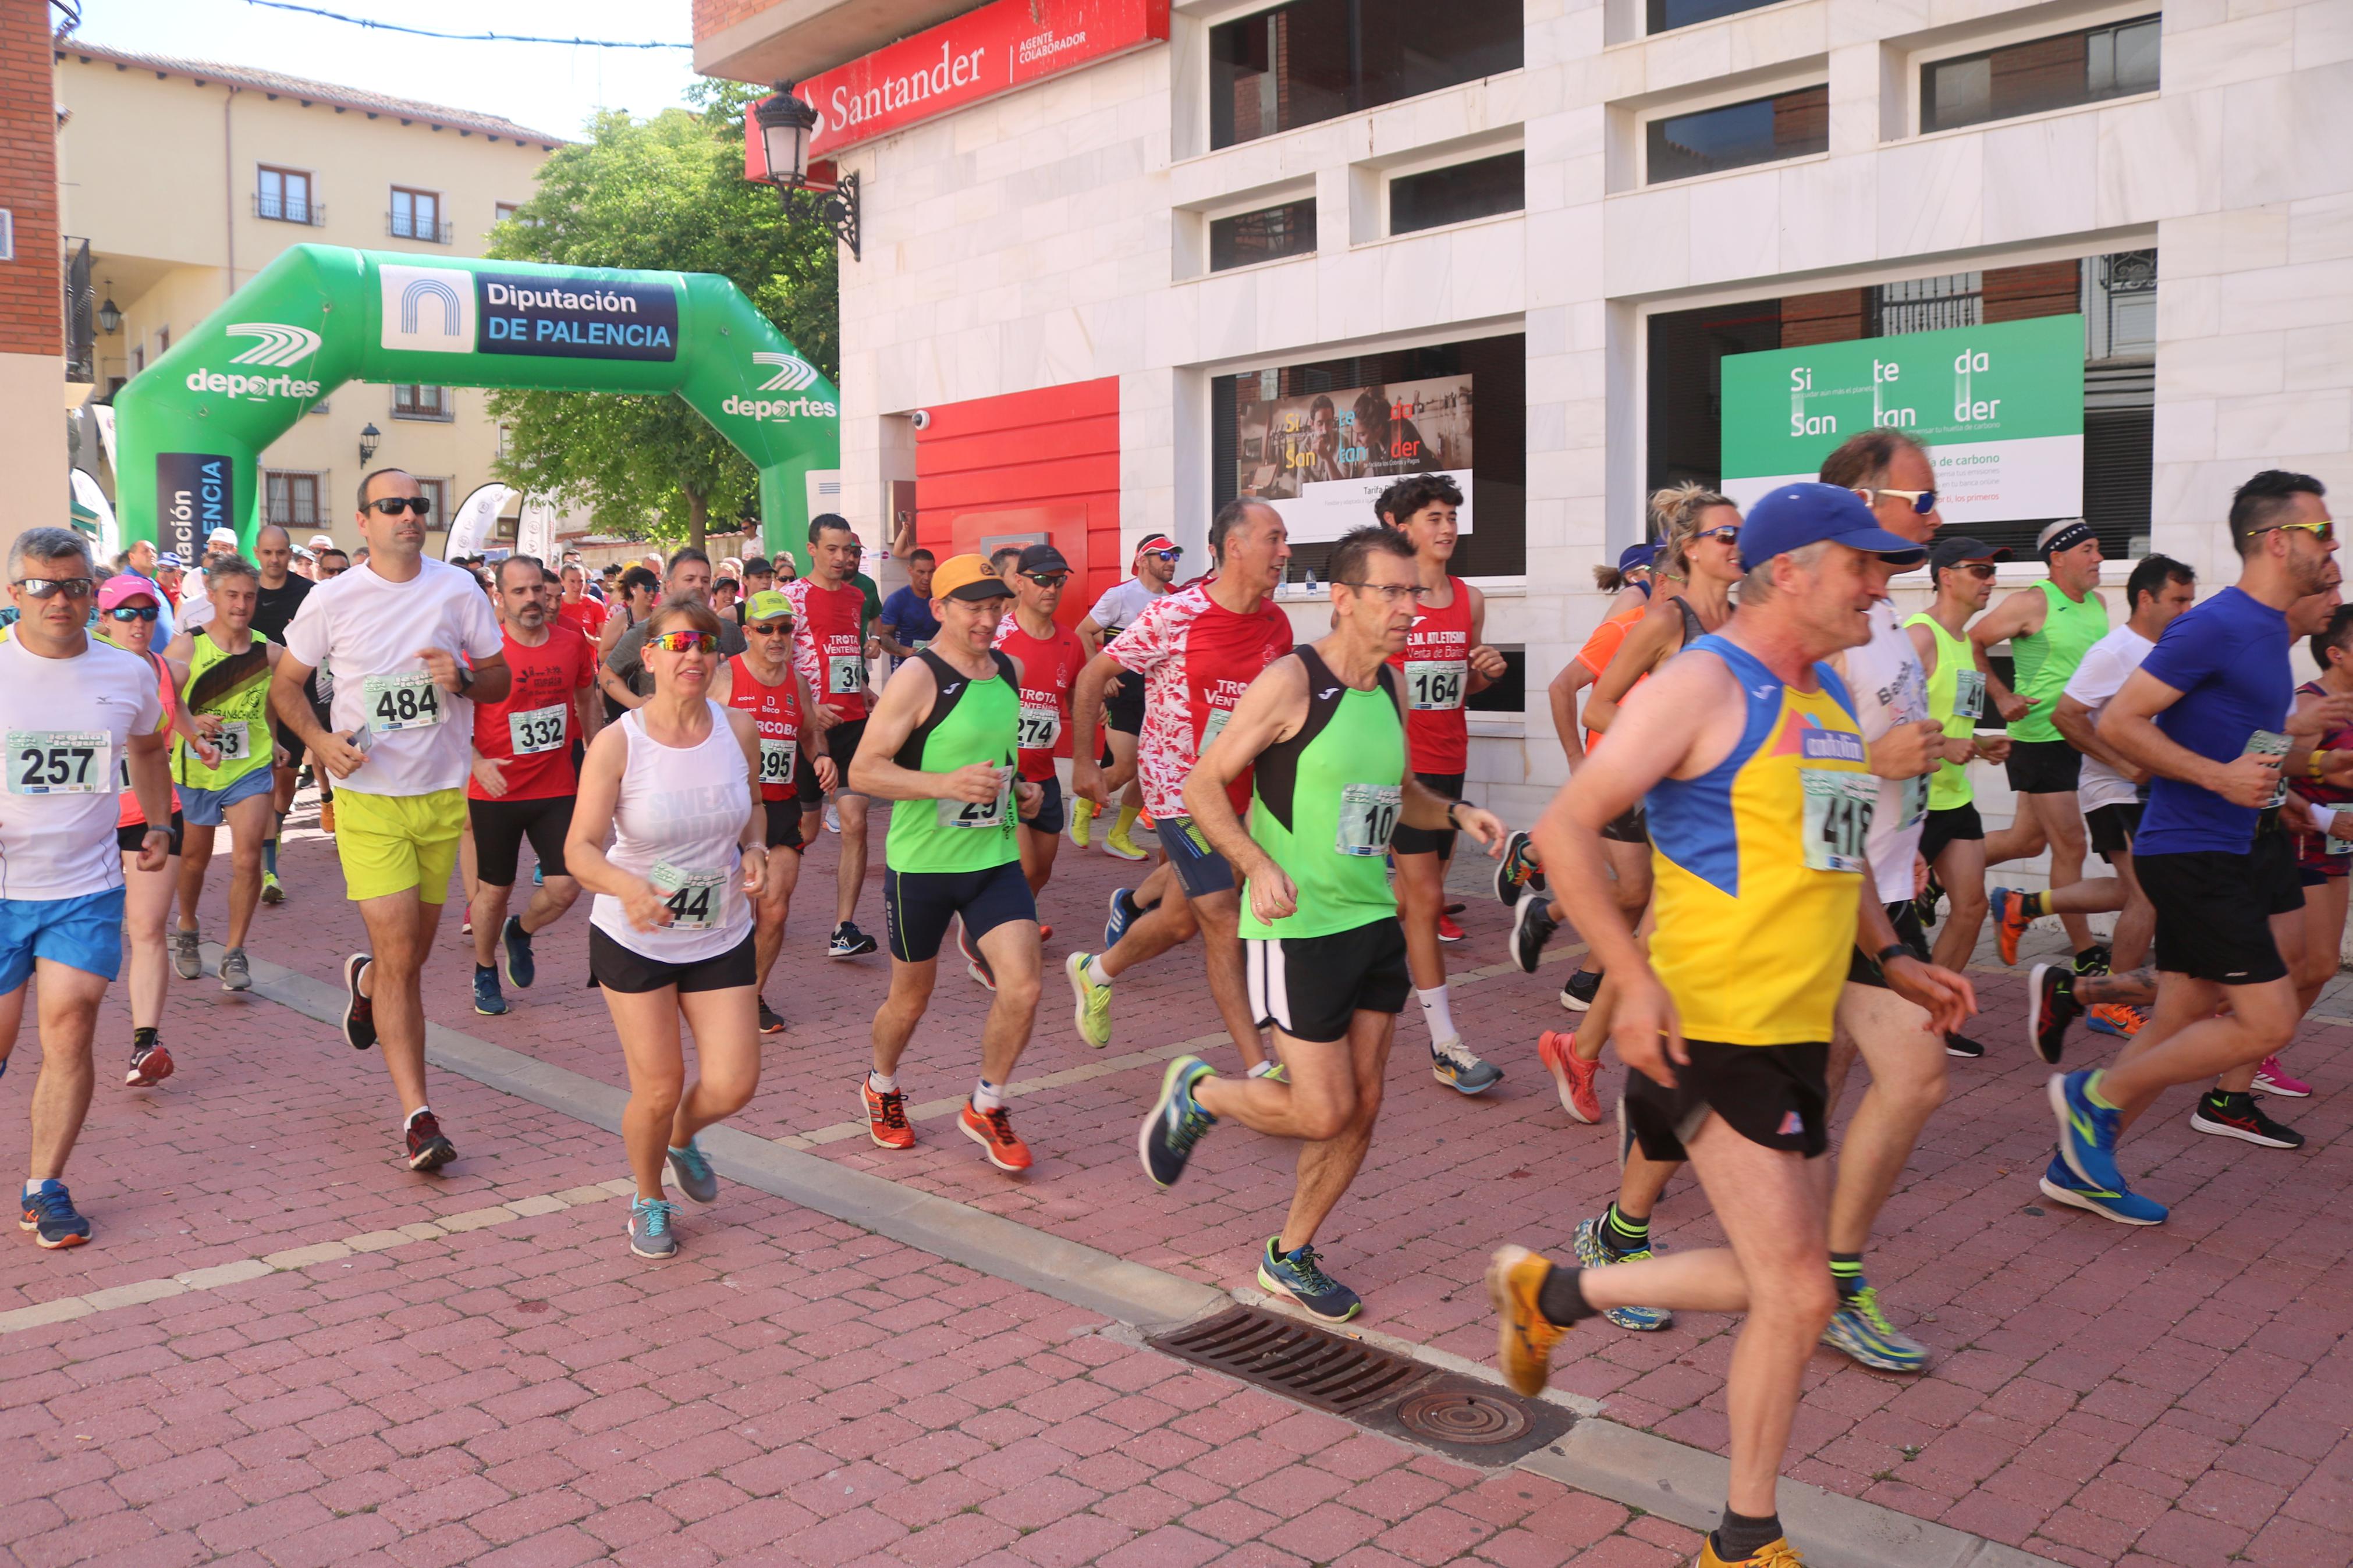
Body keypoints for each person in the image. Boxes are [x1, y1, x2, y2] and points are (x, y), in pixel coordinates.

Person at [1486, 486, 1969, 1568]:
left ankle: (1554, 1291)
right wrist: (1630, 980)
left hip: (1792, 1026)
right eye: (1865, 565)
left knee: (1775, 1279)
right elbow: (1564, 834)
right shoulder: (1704, 683)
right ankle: (1743, 1538)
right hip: (1708, 1018)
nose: (1882, 586)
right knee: (1800, 1289)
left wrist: (1893, 957)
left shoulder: (1831, 700)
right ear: (1791, 570)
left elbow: (1833, 854)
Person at [1138, 526, 1506, 1321]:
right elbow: (1203, 786)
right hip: (1296, 925)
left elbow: (1397, 786)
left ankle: (1290, 1252)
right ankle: (1201, 1093)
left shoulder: (1392, 688)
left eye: (1414, 591)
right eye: (1393, 592)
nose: (1411, 606)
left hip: (1373, 918)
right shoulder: (1290, 681)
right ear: (1343, 598)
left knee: (1363, 1103)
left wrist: (1454, 809)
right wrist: (1255, 864)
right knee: (1321, 1108)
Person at [2047, 472, 2338, 1226]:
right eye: (2321, 533)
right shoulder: (2214, 624)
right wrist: (2217, 777)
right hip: (2192, 850)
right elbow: (2116, 724)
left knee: (2176, 1016)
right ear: (2276, 541)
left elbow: (2248, 749)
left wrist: (2289, 784)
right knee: (2267, 1021)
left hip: (2234, 846)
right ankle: (2090, 1098)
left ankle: (2079, 1164)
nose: (2332, 546)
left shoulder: (2265, 637)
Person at [271, 468, 510, 1174]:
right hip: (370, 798)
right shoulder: (333, 598)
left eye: (418, 504)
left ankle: (369, 983)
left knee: (409, 958)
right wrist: (319, 743)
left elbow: (499, 680)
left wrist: (463, 679)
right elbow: (286, 685)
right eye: (393, 505)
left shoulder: (457, 589)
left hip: (441, 797)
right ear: (364, 520)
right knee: (405, 953)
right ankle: (419, 1117)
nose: (410, 514)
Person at [1527, 489, 1745, 1121]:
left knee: (1652, 942)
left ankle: (1584, 1051)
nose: (1738, 545)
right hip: (1678, 808)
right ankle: (1662, 1099)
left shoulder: (1742, 621)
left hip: (1722, 817)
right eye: (1725, 535)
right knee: (1669, 947)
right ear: (1690, 550)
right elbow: (1596, 706)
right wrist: (1674, 753)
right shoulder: (1666, 622)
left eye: (1741, 533)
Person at [565, 596, 766, 1260]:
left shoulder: (738, 728)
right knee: (655, 1085)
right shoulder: (619, 742)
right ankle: (648, 1197)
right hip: (635, 934)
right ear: (648, 657)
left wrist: (757, 850)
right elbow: (580, 850)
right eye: (678, 644)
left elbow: (756, 808)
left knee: (735, 1083)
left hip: (719, 927)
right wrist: (630, 888)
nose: (694, 655)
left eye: (705, 644)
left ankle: (682, 1137)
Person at [1064, 503, 1294, 1069]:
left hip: (1243, 791)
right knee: (1218, 913)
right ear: (1234, 547)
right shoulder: (1177, 614)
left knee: (1179, 919)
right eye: (1275, 539)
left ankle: (1094, 971)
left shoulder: (1275, 623)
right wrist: (1083, 765)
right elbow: (1093, 673)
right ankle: (1257, 1065)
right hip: (1178, 787)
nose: (1285, 552)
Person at [0, 528, 176, 1247]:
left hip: (86, 886)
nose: (60, 600)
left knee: (70, 1026)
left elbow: (146, 746)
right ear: (15, 595)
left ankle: (46, 1187)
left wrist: (161, 820)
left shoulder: (126, 673)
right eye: (43, 586)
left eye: (75, 586)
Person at [848, 554, 1045, 1175]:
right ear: (940, 609)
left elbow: (992, 761)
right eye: (974, 607)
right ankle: (881, 1085)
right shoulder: (917, 677)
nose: (989, 619)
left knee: (1024, 986)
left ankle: (986, 1104)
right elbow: (862, 771)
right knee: (910, 1000)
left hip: (992, 858)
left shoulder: (1007, 670)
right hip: (921, 866)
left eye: (996, 606)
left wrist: (1019, 791)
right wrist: (944, 784)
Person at [2007, 555, 2199, 1043]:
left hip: (2156, 788)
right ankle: (2107, 1001)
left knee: (2139, 890)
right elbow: (2067, 716)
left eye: (2190, 598)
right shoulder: (2114, 651)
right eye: (2178, 599)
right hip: (2114, 788)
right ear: (2145, 598)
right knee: (2146, 894)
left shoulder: (2174, 647)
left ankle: (2025, 905)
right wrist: (2120, 762)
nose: (2187, 608)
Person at [1375, 474, 1510, 1093]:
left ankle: (1344, 952)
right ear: (1403, 527)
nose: (1447, 527)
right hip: (1397, 773)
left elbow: (1463, 680)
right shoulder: (1384, 598)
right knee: (1425, 900)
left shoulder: (1469, 599)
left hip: (1449, 763)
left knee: (1410, 902)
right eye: (1433, 516)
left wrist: (1486, 670)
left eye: (1452, 516)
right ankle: (1445, 1044)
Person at [1973, 518, 2112, 973]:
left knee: (2026, 841)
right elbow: (1973, 640)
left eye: (2098, 549)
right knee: (2070, 845)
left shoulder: (2099, 603)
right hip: (2041, 736)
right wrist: (1999, 695)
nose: (2098, 558)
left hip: (2080, 736)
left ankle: (1934, 868)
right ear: (2058, 557)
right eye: (2088, 550)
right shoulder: (2031, 602)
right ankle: (2085, 952)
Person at [464, 557, 599, 1016]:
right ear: (500, 597)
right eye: (518, 592)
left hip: (554, 783)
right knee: (494, 892)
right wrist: (476, 761)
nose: (530, 600)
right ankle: (485, 970)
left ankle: (519, 931)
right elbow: (449, 718)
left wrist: (599, 757)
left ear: (548, 591)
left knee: (566, 885)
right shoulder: (481, 651)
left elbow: (586, 699)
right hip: (495, 788)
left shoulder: (570, 641)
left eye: (536, 590)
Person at [97, 574, 207, 1089]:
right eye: (126, 613)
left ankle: (147, 1042)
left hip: (154, 814)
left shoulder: (166, 668)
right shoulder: (83, 673)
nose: (138, 623)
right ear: (104, 619)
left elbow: (174, 707)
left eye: (146, 613)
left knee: (146, 928)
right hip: (90, 818)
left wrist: (195, 736)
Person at [162, 555, 284, 994]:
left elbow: (274, 699)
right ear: (211, 596)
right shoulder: (187, 647)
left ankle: (235, 950)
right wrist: (193, 727)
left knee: (248, 857)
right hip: (197, 768)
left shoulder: (267, 650)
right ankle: (188, 924)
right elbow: (164, 703)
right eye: (232, 594)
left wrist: (276, 740)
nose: (241, 604)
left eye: (249, 596)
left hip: (249, 768)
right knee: (194, 858)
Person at [1903, 538, 2014, 1012]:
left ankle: (1933, 1013)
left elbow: (1956, 720)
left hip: (1953, 799)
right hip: (1911, 805)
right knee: (1878, 922)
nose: (1990, 581)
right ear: (1946, 576)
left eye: (1991, 572)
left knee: (1970, 909)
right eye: (1979, 571)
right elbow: (1883, 723)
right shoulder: (1918, 635)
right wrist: (1943, 746)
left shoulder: (1965, 645)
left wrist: (1981, 744)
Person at [711, 589, 827, 1034]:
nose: (777, 637)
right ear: (747, 633)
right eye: (766, 629)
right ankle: (708, 986)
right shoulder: (724, 677)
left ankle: (750, 997)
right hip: (728, 811)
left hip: (779, 807)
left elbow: (810, 732)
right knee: (725, 909)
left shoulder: (797, 683)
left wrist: (820, 758)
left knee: (775, 910)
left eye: (785, 628)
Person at [787, 515, 884, 959]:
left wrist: (864, 690)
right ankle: (766, 903)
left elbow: (843, 655)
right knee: (803, 829)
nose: (842, 558)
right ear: (811, 549)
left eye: (848, 549)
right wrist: (807, 709)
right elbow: (772, 663)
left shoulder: (857, 596)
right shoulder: (791, 599)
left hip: (852, 726)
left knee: (856, 823)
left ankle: (843, 928)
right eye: (832, 549)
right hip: (808, 733)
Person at [986, 543, 1086, 964]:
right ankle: (998, 933)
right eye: (1042, 580)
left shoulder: (1070, 642)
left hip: (1045, 775)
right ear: (1019, 582)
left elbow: (1080, 699)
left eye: (1058, 581)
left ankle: (1009, 919)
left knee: (1042, 869)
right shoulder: (998, 637)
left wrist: (1085, 760)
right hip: (1006, 775)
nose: (1051, 588)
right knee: (1025, 865)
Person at [1072, 535, 1181, 858]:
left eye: (1174, 555)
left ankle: (1118, 836)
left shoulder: (1177, 600)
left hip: (1161, 696)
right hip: (1125, 692)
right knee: (1124, 768)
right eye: (1163, 555)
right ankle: (1083, 804)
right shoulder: (1120, 595)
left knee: (1151, 771)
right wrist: (1100, 674)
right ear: (1142, 560)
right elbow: (1082, 632)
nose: (1171, 561)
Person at [600, 549, 748, 717]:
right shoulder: (648, 630)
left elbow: (746, 678)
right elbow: (607, 673)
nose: (699, 585)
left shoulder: (729, 631)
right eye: (690, 579)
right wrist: (637, 704)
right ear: (669, 586)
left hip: (718, 729)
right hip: (660, 731)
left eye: (705, 581)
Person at [250, 524, 314, 906]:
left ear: (290, 554)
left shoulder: (308, 594)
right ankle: (266, 866)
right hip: (249, 701)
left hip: (293, 698)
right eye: (268, 552)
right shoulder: (244, 592)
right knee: (258, 783)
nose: (275, 559)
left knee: (285, 781)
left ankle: (275, 834)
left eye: (282, 553)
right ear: (257, 552)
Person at [878, 549, 941, 671]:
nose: (927, 578)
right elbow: (882, 635)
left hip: (935, 667)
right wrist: (904, 651)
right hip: (905, 668)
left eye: (931, 572)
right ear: (910, 571)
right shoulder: (897, 600)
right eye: (921, 572)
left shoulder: (940, 598)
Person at [558, 563, 609, 643]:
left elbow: (607, 644)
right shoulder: (554, 605)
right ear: (562, 581)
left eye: (581, 581)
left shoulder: (596, 605)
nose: (577, 586)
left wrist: (588, 638)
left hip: (588, 655)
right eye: (572, 581)